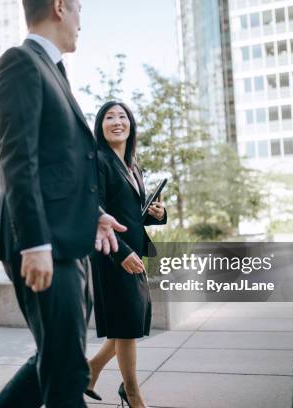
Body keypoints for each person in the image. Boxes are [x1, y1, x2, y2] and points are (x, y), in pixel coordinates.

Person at [0, 1, 126, 407]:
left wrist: (94, 214)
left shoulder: (53, 70)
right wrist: (34, 244)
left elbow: (57, 165)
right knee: (67, 370)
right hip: (43, 243)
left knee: (55, 359)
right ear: (60, 6)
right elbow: (18, 160)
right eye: (80, 10)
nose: (82, 23)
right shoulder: (19, 63)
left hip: (66, 240)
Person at [86, 102, 167, 408]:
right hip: (113, 253)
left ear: (131, 124)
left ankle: (91, 369)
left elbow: (132, 213)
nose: (117, 122)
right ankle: (132, 394)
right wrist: (121, 252)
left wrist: (156, 213)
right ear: (100, 125)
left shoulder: (133, 164)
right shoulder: (99, 161)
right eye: (109, 117)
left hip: (132, 252)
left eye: (122, 117)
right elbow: (97, 214)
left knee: (128, 322)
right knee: (127, 326)